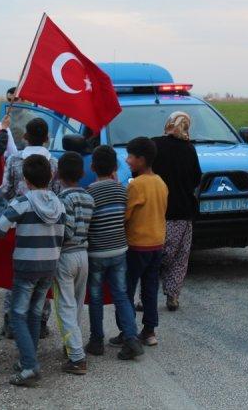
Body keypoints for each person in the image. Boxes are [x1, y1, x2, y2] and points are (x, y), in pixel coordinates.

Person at [0, 155, 65, 387]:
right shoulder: (59, 203)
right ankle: (28, 360)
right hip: (50, 264)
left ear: (25, 179)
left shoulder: (22, 202)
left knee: (18, 315)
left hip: (26, 265)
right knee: (35, 313)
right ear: (51, 176)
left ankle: (30, 366)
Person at [0, 117, 59, 338]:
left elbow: (5, 190)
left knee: (16, 274)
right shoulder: (53, 162)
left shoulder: (15, 160)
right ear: (46, 139)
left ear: (24, 137)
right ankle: (40, 323)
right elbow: (58, 192)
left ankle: (11, 321)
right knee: (44, 277)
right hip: (46, 224)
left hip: (17, 223)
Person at [85, 145, 144, 360]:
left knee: (96, 297)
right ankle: (131, 338)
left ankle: (96, 340)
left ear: (92, 167)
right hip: (119, 250)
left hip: (97, 253)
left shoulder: (90, 192)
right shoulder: (122, 190)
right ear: (115, 167)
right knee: (121, 296)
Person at [113, 137, 168, 347]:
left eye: (130, 157)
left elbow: (125, 216)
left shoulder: (136, 185)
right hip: (157, 243)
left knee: (125, 289)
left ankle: (127, 330)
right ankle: (150, 330)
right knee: (150, 288)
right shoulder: (161, 183)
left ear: (141, 160)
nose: (127, 161)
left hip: (137, 245)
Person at [151, 112, 201, 311]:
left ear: (168, 124)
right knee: (179, 257)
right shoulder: (189, 149)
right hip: (182, 211)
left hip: (156, 210)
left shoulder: (154, 144)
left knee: (153, 255)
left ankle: (143, 297)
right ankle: (172, 296)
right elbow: (196, 179)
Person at [53, 152, 94, 375]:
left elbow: (65, 231)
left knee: (64, 306)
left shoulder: (62, 200)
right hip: (83, 255)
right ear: (82, 173)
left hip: (66, 256)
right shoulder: (89, 197)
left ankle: (77, 356)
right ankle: (72, 345)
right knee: (77, 304)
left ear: (58, 173)